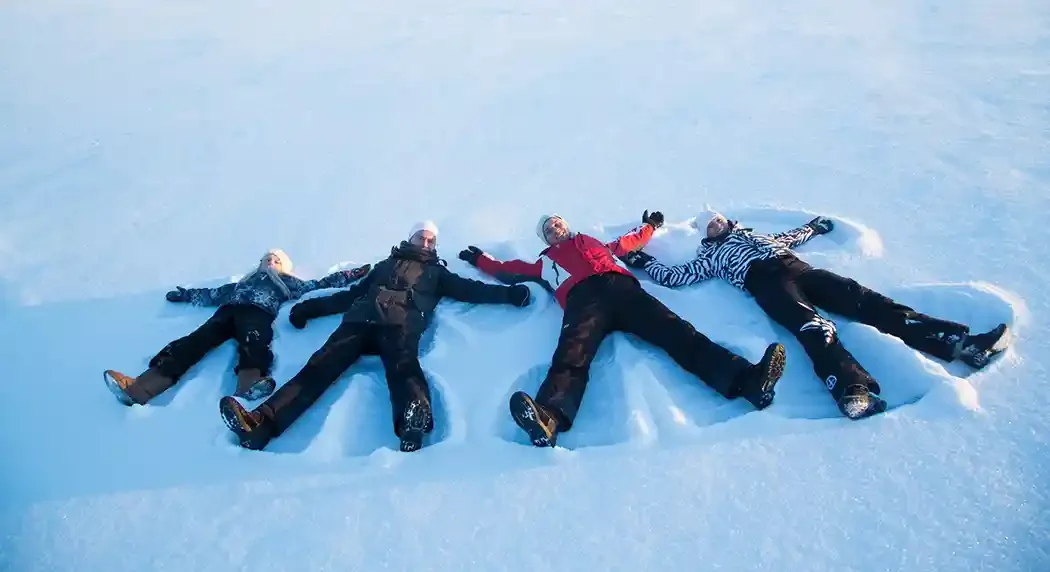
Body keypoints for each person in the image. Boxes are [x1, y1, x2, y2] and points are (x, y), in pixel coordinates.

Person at [623, 209, 1010, 420]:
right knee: (814, 327)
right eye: (709, 225)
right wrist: (644, 261)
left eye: (718, 219)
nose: (716, 224)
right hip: (766, 283)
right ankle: (851, 390)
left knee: (867, 301)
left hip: (800, 269)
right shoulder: (710, 255)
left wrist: (814, 227)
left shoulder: (756, 235)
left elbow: (791, 238)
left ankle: (961, 343)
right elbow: (677, 276)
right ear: (704, 235)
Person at [458, 210, 787, 448]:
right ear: (545, 240)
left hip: (624, 291)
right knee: (572, 353)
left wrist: (651, 226)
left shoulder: (595, 243)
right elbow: (508, 269)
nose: (555, 229)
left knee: (678, 333)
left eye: (557, 223)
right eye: (548, 230)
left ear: (566, 225)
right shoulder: (544, 263)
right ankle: (549, 417)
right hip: (583, 301)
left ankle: (749, 382)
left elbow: (629, 242)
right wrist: (480, 261)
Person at [219, 221, 532, 453]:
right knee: (318, 368)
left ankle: (413, 421)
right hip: (357, 323)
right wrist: (309, 309)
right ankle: (260, 426)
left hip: (400, 325)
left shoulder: (437, 273)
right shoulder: (385, 265)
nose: (425, 242)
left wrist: (509, 295)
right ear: (410, 238)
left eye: (431, 240)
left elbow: (470, 289)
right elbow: (349, 295)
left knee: (404, 367)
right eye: (421, 237)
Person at [103, 249, 370, 406]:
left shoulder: (287, 282)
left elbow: (318, 285)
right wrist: (186, 295)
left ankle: (249, 385)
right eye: (267, 259)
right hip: (227, 312)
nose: (270, 262)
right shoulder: (241, 284)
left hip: (258, 313)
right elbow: (213, 294)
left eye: (276, 260)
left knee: (255, 342)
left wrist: (350, 275)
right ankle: (140, 388)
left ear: (283, 267)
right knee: (193, 342)